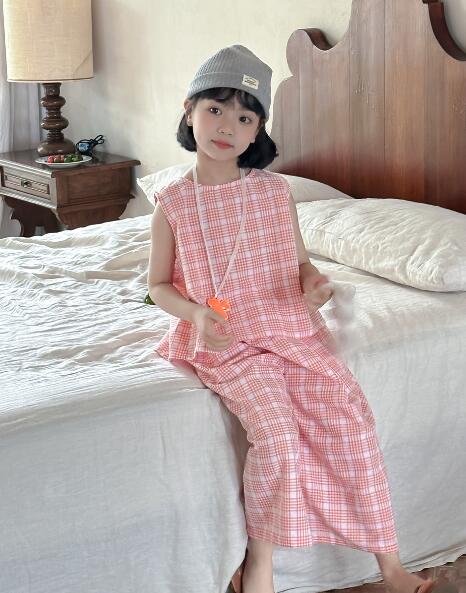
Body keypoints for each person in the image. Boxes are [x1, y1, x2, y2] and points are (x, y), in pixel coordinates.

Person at [147, 45, 456, 593]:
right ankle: (259, 567)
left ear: (257, 132)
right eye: (215, 109)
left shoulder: (274, 193)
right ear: (189, 110)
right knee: (279, 437)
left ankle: (391, 568)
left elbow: (300, 263)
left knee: (352, 421)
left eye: (246, 118)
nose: (228, 127)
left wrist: (313, 283)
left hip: (289, 328)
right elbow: (158, 286)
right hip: (225, 341)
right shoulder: (172, 203)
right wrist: (195, 313)